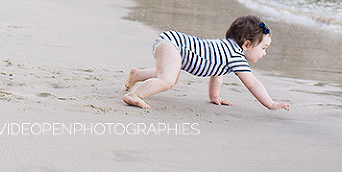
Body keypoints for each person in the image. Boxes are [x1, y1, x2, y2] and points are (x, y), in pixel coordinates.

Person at [123, 15, 290, 111]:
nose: (264, 53)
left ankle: (136, 75)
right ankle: (134, 95)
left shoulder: (226, 53)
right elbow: (252, 83)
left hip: (172, 41)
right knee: (168, 80)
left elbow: (217, 74)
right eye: (263, 48)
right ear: (246, 45)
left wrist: (214, 96)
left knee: (168, 72)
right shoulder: (236, 57)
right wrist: (270, 103)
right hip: (173, 44)